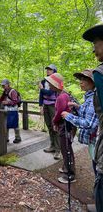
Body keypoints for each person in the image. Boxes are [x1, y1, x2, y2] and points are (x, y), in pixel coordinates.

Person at [61, 69, 99, 178]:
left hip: (96, 139)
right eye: (80, 79)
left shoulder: (92, 99)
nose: (80, 82)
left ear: (92, 82)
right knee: (95, 164)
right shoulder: (89, 97)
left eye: (84, 79)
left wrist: (69, 116)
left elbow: (89, 123)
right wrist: (78, 107)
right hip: (94, 139)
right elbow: (89, 114)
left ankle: (99, 194)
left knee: (97, 167)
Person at [82, 24, 103, 212]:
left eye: (96, 43)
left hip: (99, 137)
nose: (93, 49)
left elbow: (91, 120)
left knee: (100, 174)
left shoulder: (100, 73)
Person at [45, 73, 76, 183]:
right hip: (68, 125)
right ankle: (67, 168)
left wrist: (54, 122)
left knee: (66, 149)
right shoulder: (63, 94)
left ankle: (70, 174)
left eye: (50, 83)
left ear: (55, 85)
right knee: (66, 148)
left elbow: (59, 112)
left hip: (66, 126)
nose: (48, 85)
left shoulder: (61, 96)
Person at [39, 64, 61, 160]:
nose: (48, 70)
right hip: (46, 105)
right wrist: (40, 106)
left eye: (50, 69)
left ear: (54, 71)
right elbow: (41, 95)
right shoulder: (44, 81)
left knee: (55, 126)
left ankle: (58, 149)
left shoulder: (56, 81)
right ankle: (52, 146)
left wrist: (42, 89)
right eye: (47, 69)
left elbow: (49, 92)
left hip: (53, 105)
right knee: (49, 126)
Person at [0, 79, 22, 143]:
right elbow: (1, 98)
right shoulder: (5, 91)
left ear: (8, 84)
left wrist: (7, 102)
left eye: (4, 85)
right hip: (7, 110)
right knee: (6, 124)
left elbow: (15, 101)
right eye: (2, 85)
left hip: (13, 110)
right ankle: (6, 138)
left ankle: (18, 138)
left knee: (15, 124)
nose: (3, 86)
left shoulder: (13, 91)